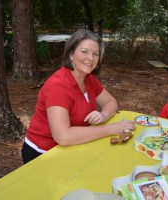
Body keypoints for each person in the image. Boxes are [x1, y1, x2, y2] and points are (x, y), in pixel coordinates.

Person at [21, 29, 135, 164]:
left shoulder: (88, 79)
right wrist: (112, 129)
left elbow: (110, 102)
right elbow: (63, 137)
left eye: (95, 54)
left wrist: (104, 115)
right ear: (71, 54)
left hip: (72, 148)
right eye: (84, 51)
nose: (90, 58)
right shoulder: (58, 86)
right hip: (43, 153)